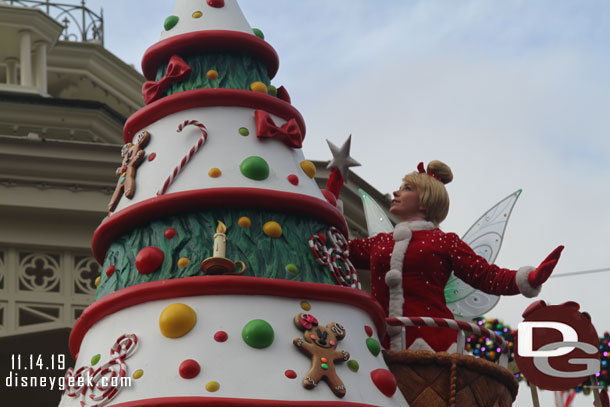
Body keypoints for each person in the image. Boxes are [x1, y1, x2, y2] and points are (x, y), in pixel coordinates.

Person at [348, 160, 563, 351]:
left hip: (431, 344)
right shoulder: (380, 242)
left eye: (406, 188)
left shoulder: (444, 241)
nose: (396, 193)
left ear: (424, 200)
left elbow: (485, 275)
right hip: (377, 342)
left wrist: (528, 278)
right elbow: (336, 247)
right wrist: (329, 195)